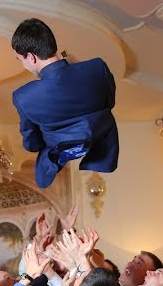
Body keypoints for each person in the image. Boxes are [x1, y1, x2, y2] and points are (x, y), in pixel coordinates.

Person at [11, 18, 118, 188]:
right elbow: (109, 102)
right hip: (100, 135)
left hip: (61, 149)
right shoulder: (98, 67)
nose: (24, 65)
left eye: (20, 60)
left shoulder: (23, 96)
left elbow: (32, 144)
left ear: (31, 57)